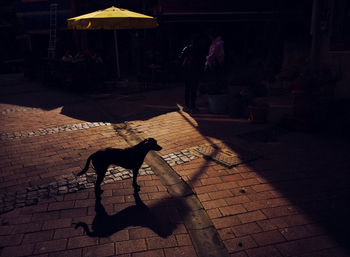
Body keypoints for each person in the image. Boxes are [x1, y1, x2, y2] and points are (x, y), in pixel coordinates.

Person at [179, 35, 203, 112]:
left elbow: (180, 57)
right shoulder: (199, 49)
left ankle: (187, 105)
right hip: (195, 71)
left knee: (187, 88)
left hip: (187, 71)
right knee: (194, 89)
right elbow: (201, 60)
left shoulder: (186, 48)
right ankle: (193, 105)